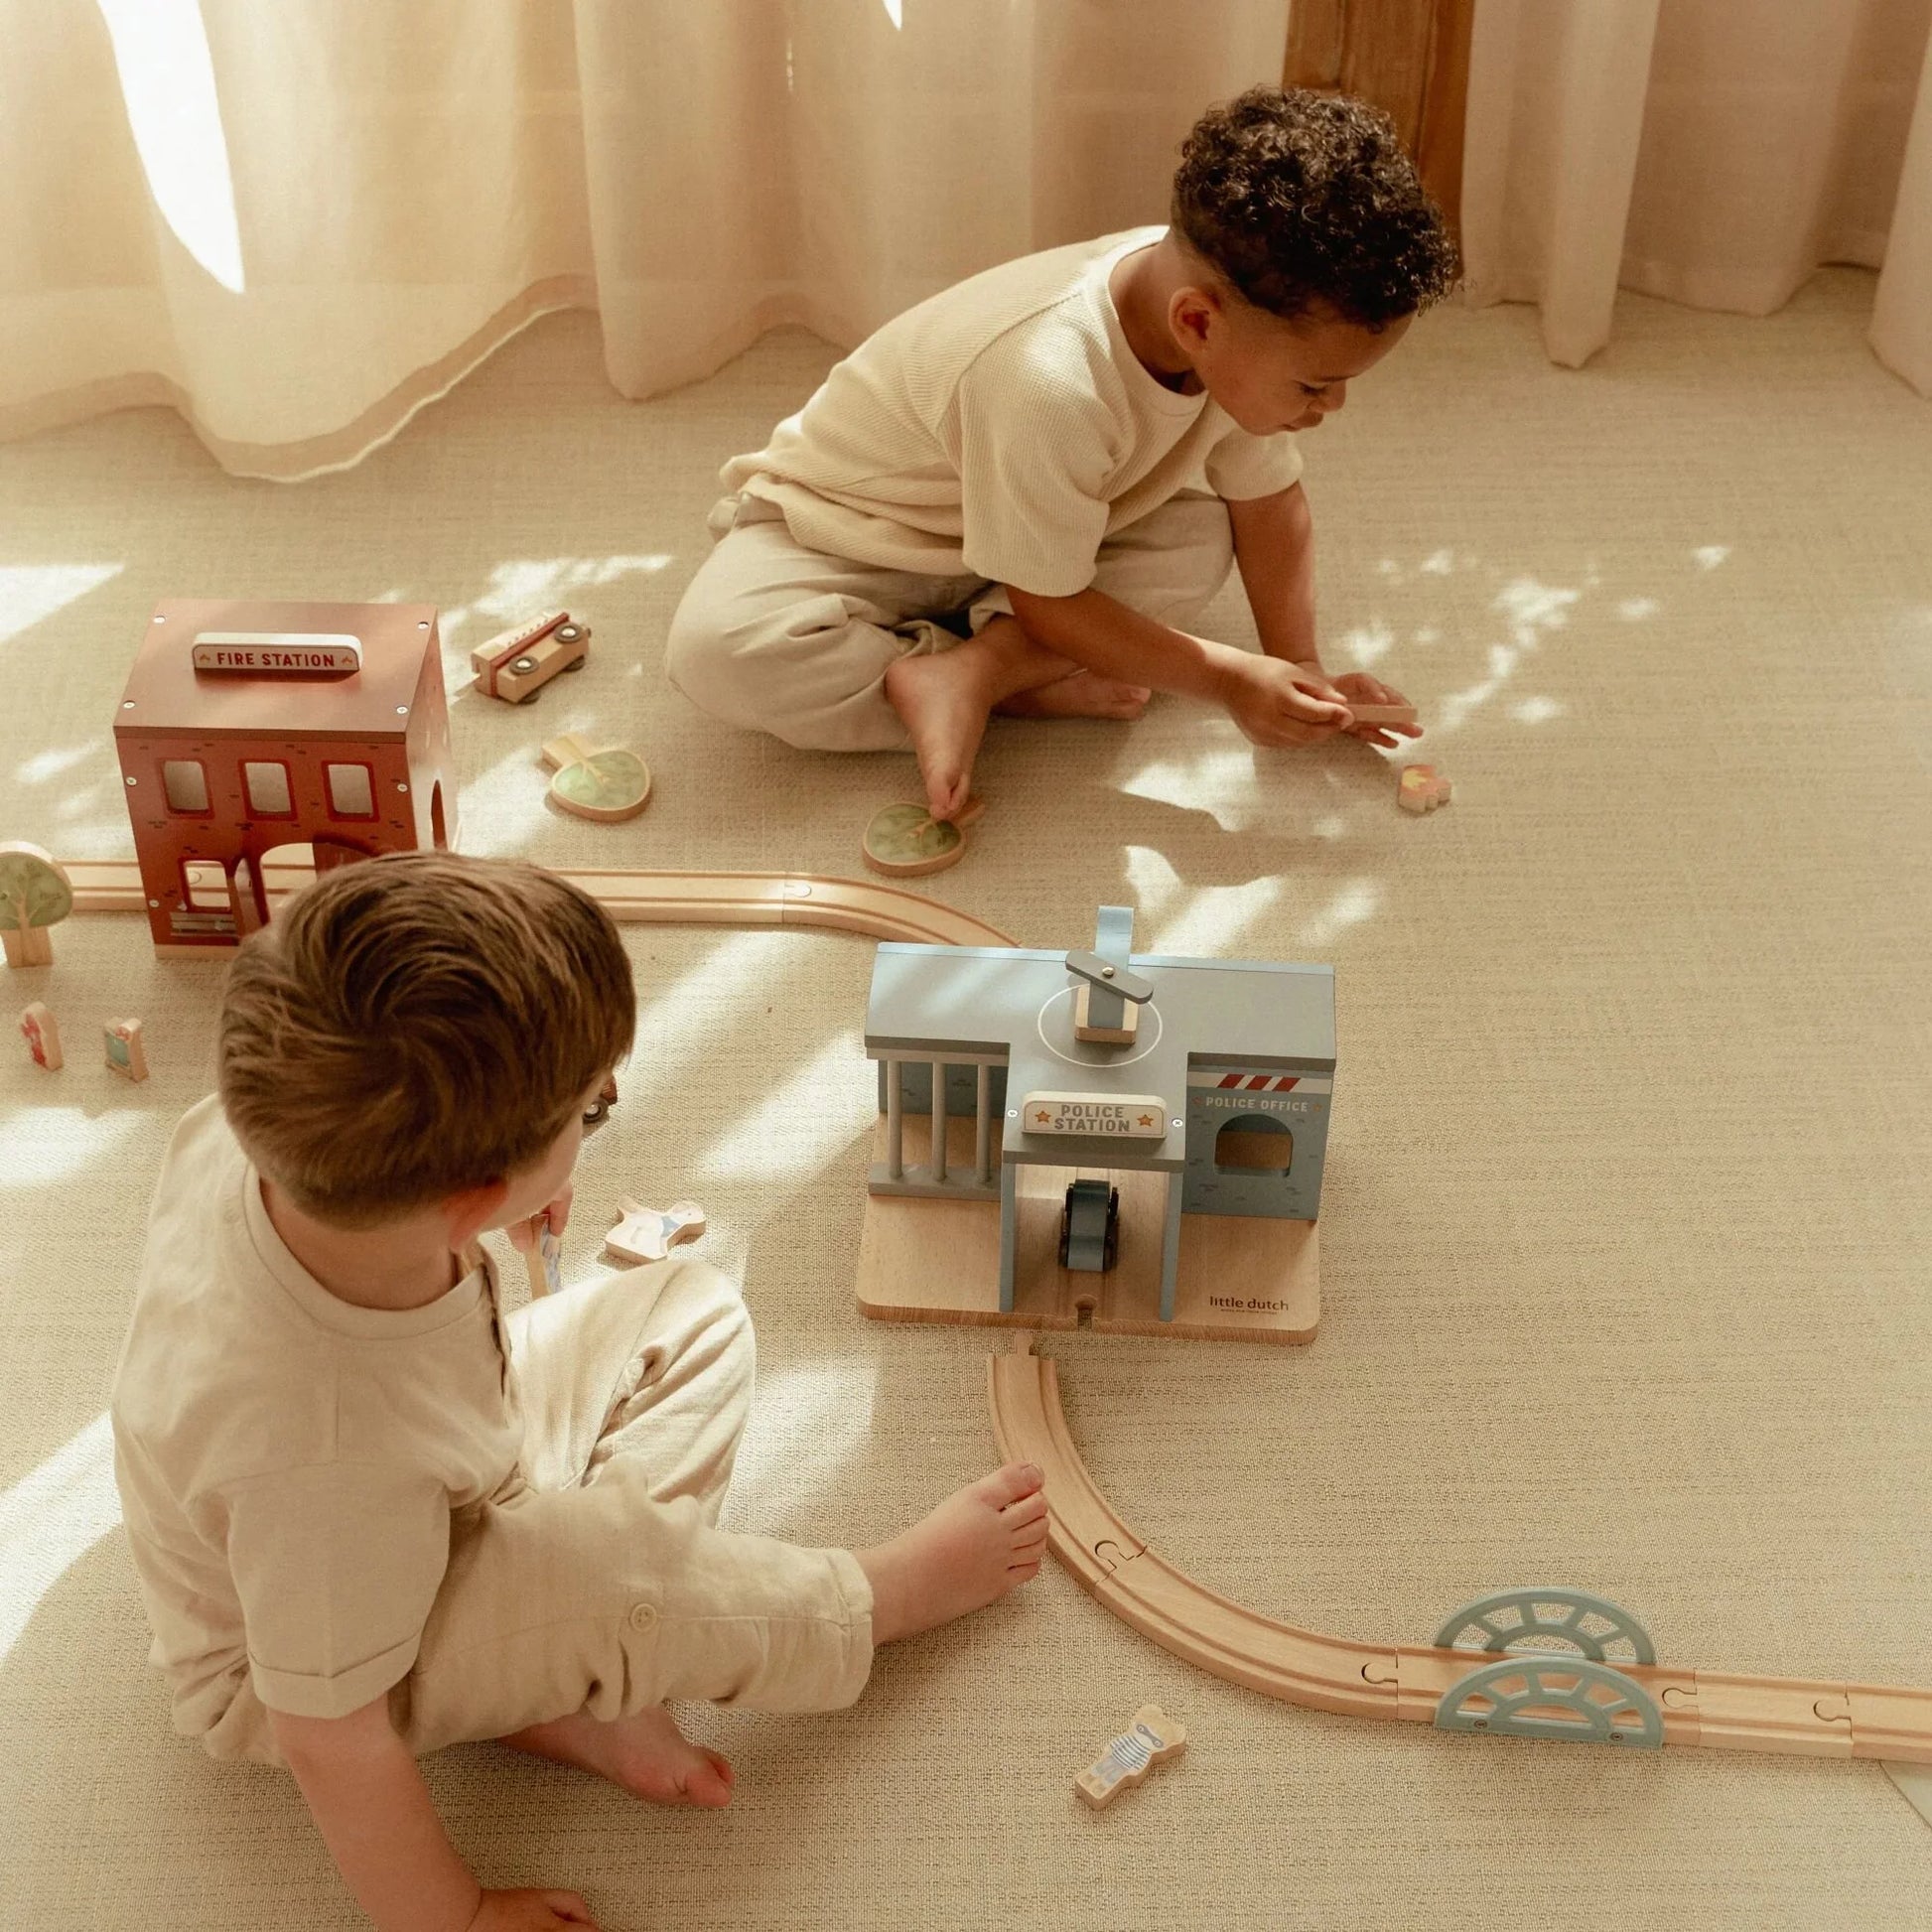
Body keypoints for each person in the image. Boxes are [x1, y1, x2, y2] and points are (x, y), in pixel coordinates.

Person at [109, 852, 1046, 1932]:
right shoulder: (316, 1449)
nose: (601, 1110)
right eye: (589, 1111)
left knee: (682, 1306)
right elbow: (326, 1730)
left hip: (437, 1472)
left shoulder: (258, 1125)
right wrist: (452, 1913)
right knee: (627, 1578)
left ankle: (568, 1677)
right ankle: (870, 1600)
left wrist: (476, 1227)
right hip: (317, 1653)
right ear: (471, 1195)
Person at [666, 84, 1457, 822]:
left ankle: (969, 674)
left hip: (1059, 528)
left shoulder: (1223, 301)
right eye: (1317, 387)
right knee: (719, 653)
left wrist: (1301, 662)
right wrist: (1224, 678)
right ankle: (1006, 681)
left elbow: (1269, 502)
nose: (1334, 408)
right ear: (1197, 324)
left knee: (1197, 539)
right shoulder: (1049, 378)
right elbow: (1048, 598)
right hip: (861, 530)